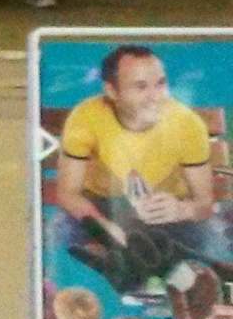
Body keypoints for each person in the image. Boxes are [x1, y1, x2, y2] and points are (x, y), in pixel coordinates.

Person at [55, 44, 231, 299]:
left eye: (160, 84)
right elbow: (68, 194)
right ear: (112, 91)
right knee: (63, 231)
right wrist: (103, 226)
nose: (155, 96)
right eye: (141, 87)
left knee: (212, 242)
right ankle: (118, 289)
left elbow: (204, 203)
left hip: (168, 208)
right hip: (103, 204)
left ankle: (197, 297)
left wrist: (181, 209)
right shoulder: (86, 117)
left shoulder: (187, 124)